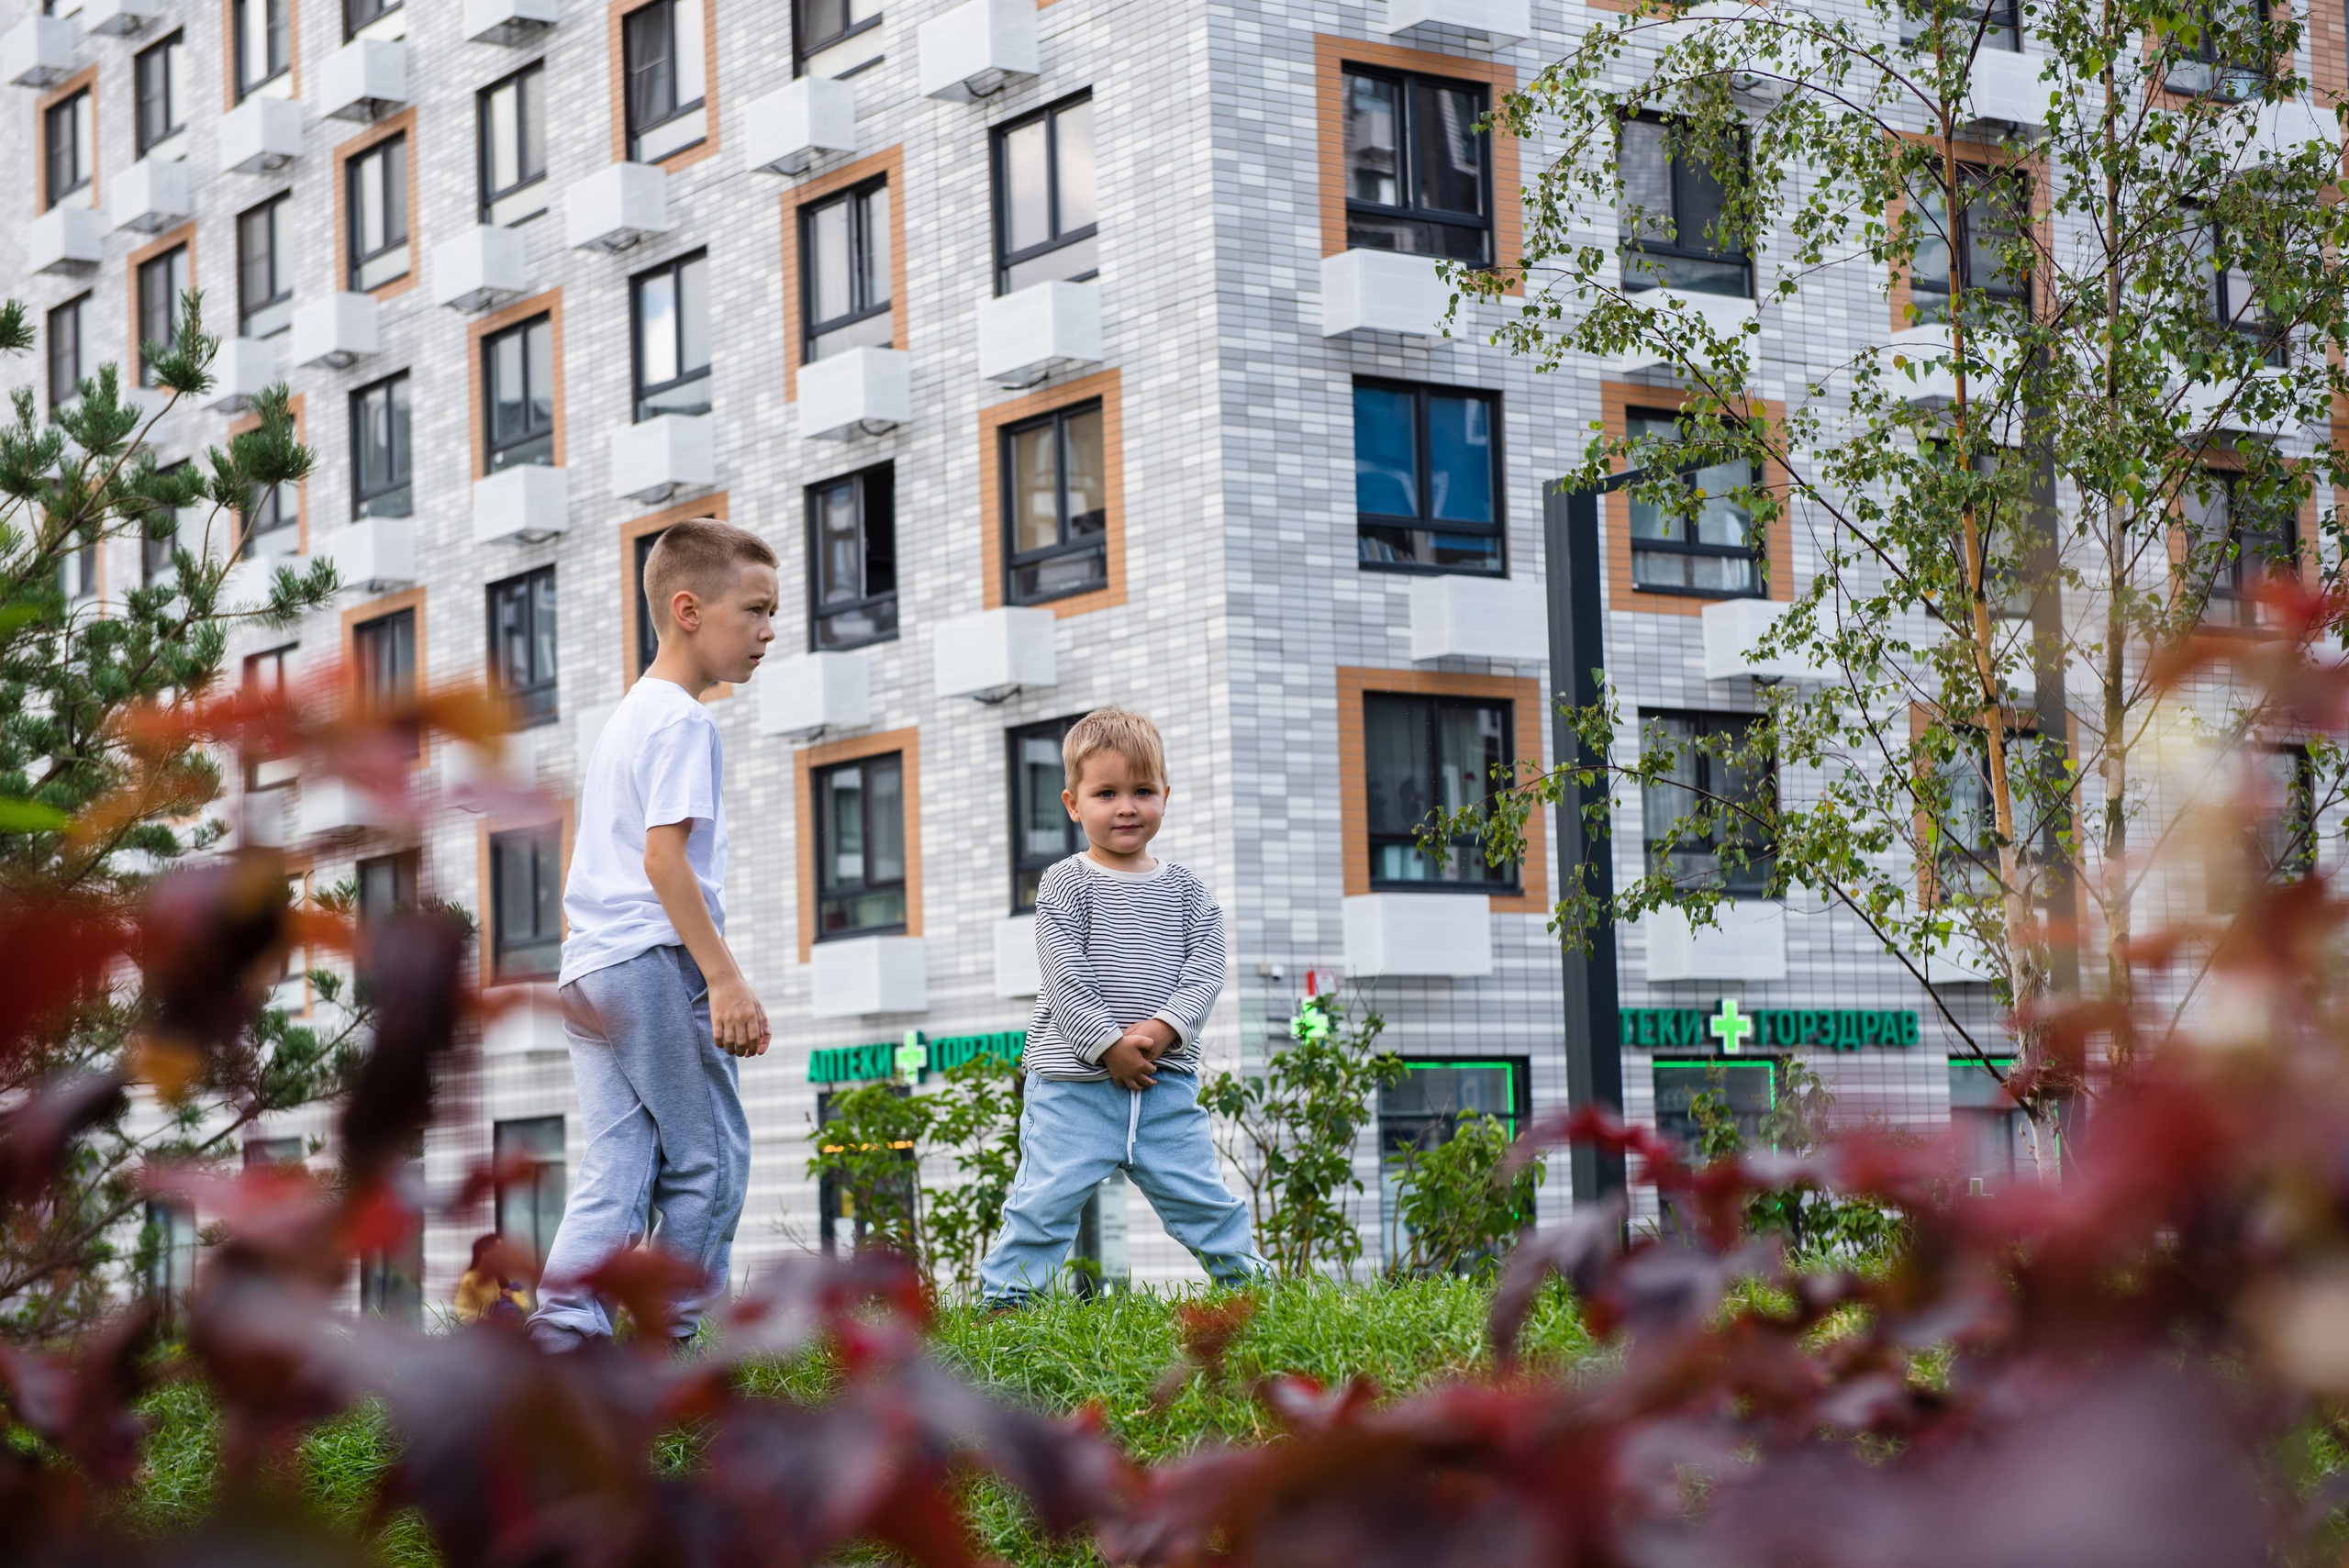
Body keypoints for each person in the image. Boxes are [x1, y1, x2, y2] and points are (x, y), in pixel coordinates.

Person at [526, 518, 777, 1351]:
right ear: (688, 609)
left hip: (589, 967)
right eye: (756, 610)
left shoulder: (629, 716)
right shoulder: (682, 724)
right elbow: (664, 860)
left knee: (620, 1162)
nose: (769, 632)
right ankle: (669, 1349)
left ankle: (561, 1332)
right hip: (651, 963)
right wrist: (726, 979)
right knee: (709, 1158)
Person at [978, 707, 1265, 1306]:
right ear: (1073, 803)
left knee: (1206, 1202)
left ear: (1165, 794)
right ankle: (1006, 1306)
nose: (1126, 806)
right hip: (1073, 1089)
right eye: (1106, 793)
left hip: (1163, 1087)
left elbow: (1205, 970)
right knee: (1044, 1203)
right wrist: (1109, 1046)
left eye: (1141, 790)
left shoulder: (1187, 890)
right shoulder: (1065, 882)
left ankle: (1256, 1293)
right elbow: (1064, 974)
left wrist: (1162, 1031)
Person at [453, 1233, 531, 1326]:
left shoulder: (504, 1278)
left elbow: (525, 1305)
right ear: (484, 1253)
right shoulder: (469, 1278)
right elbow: (462, 1312)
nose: (503, 1253)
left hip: (508, 1334)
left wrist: (511, 1295)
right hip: (482, 1335)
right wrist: (486, 1320)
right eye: (498, 1249)